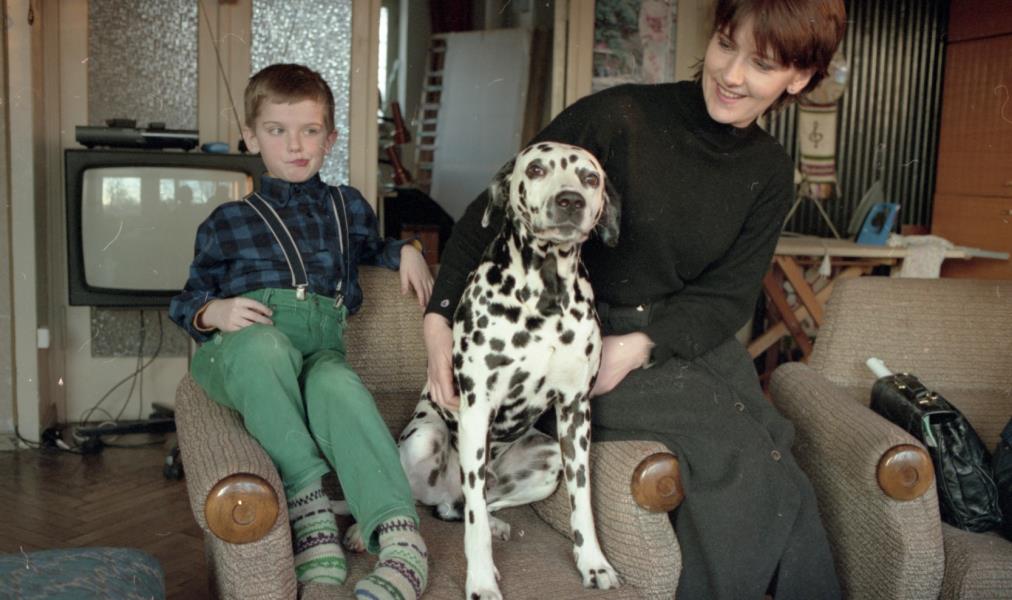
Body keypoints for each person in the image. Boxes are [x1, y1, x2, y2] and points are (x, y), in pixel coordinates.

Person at [422, 1, 846, 598]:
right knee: (737, 458)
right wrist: (438, 320)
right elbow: (486, 215)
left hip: (676, 341)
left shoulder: (771, 170)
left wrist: (639, 347)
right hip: (573, 337)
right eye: (726, 45)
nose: (731, 74)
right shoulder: (618, 115)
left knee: (777, 446)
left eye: (762, 64)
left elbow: (729, 295)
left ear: (798, 78)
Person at [169, 63, 432, 600]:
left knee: (337, 384)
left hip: (320, 347)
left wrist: (406, 249)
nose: (295, 145)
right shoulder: (227, 220)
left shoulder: (347, 206)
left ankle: (401, 538)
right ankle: (310, 511)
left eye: (310, 131)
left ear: (329, 139)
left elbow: (372, 248)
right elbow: (187, 299)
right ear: (251, 137)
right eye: (277, 130)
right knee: (265, 347)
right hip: (241, 349)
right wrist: (215, 312)